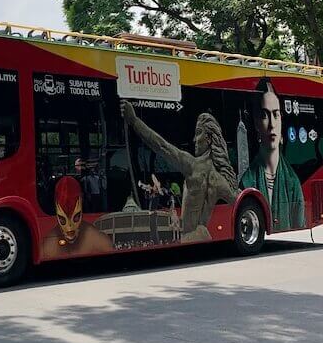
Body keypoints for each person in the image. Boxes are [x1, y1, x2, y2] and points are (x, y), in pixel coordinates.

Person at [121, 101, 238, 241]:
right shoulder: (218, 179)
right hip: (203, 235)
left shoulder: (193, 166)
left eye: (198, 133)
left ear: (208, 139)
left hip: (191, 237)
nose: (195, 140)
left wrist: (134, 121)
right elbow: (237, 200)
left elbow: (162, 146)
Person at [239, 77, 305, 231]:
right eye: (264, 115)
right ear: (255, 122)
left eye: (276, 114)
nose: (272, 124)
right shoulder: (247, 181)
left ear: (281, 119)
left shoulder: (293, 182)